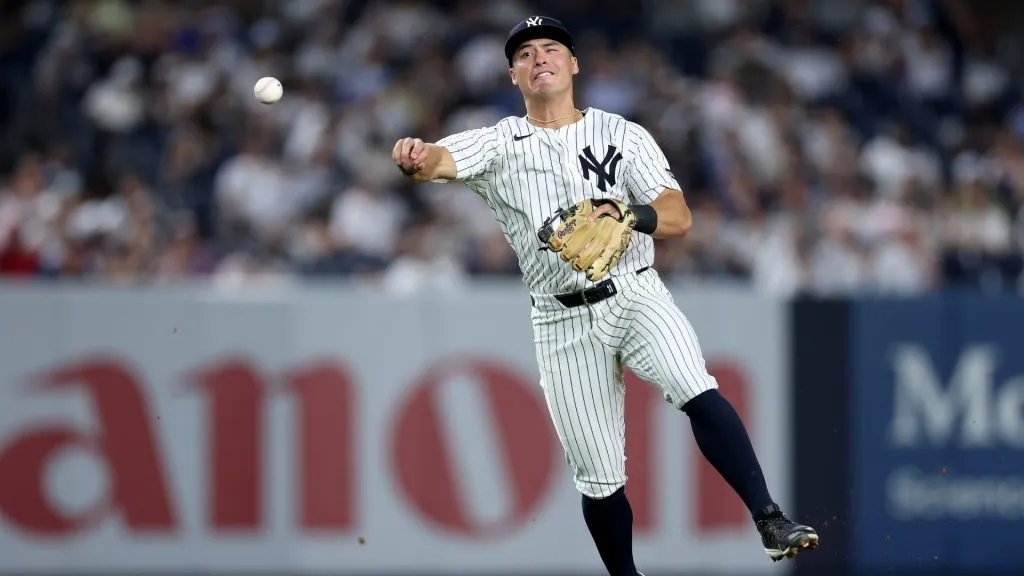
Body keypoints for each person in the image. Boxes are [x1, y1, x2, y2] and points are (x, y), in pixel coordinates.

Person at [391, 16, 819, 576]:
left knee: (695, 386)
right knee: (598, 475)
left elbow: (678, 215)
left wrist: (628, 214)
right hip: (560, 320)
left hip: (636, 292)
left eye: (551, 49)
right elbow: (440, 161)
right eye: (525, 54)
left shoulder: (624, 134)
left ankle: (770, 520)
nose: (539, 58)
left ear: (574, 64)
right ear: (513, 75)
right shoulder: (497, 142)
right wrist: (416, 157)